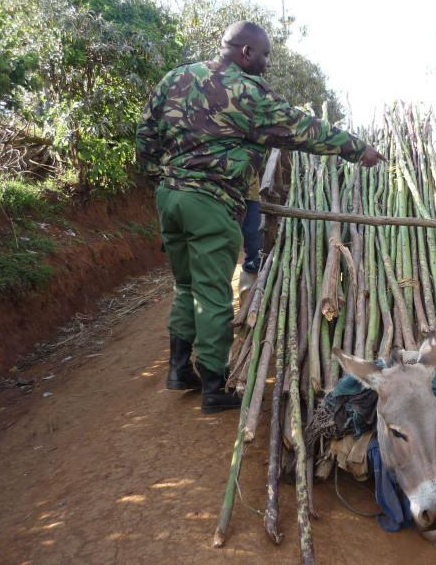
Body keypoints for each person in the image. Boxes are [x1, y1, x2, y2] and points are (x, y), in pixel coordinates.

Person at [136, 21, 385, 413]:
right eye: (265, 55)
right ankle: (215, 388)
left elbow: (145, 135)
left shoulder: (176, 77)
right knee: (213, 292)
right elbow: (302, 129)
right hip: (211, 200)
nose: (268, 64)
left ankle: (178, 370)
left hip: (170, 198)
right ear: (246, 53)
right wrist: (356, 149)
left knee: (185, 285)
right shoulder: (247, 93)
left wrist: (163, 179)